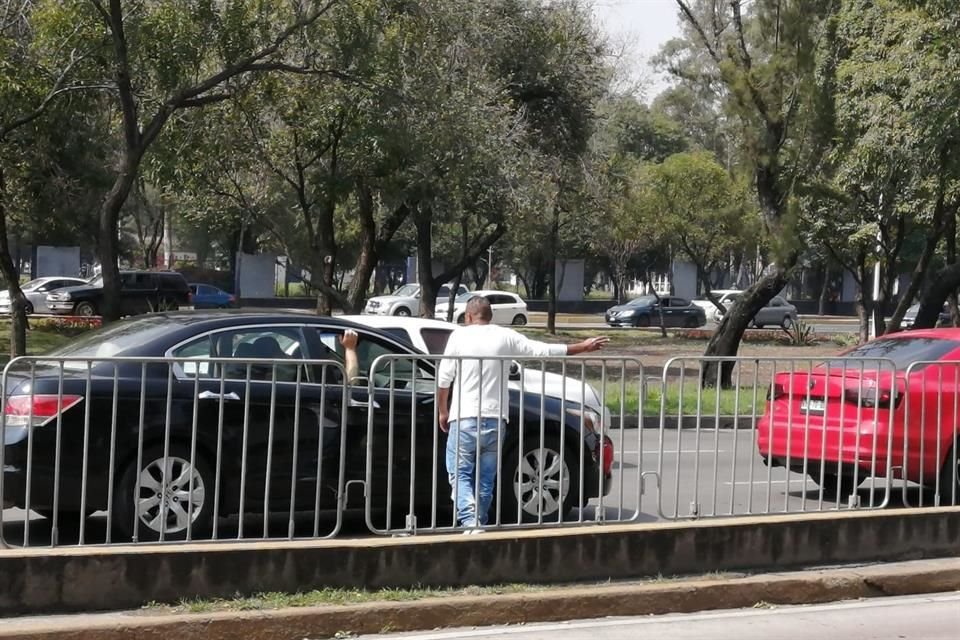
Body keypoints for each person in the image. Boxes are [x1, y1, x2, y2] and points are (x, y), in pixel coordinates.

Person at [436, 297, 608, 532]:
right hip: (496, 419)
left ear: (467, 316)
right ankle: (477, 524)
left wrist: (442, 411)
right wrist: (583, 346)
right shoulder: (504, 336)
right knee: (486, 478)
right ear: (490, 317)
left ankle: (470, 520)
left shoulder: (458, 336)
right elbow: (543, 350)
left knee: (460, 474)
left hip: (464, 417)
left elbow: (444, 378)